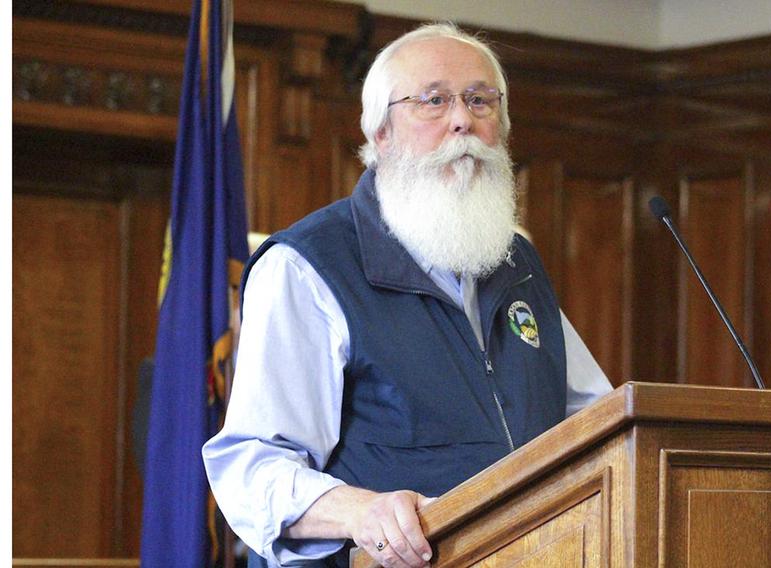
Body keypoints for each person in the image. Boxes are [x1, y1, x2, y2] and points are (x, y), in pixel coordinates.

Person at [202, 22, 613, 568]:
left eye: (480, 101)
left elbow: (599, 423)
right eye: (433, 101)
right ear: (380, 135)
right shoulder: (308, 266)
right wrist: (361, 513)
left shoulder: (516, 261)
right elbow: (252, 464)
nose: (463, 120)